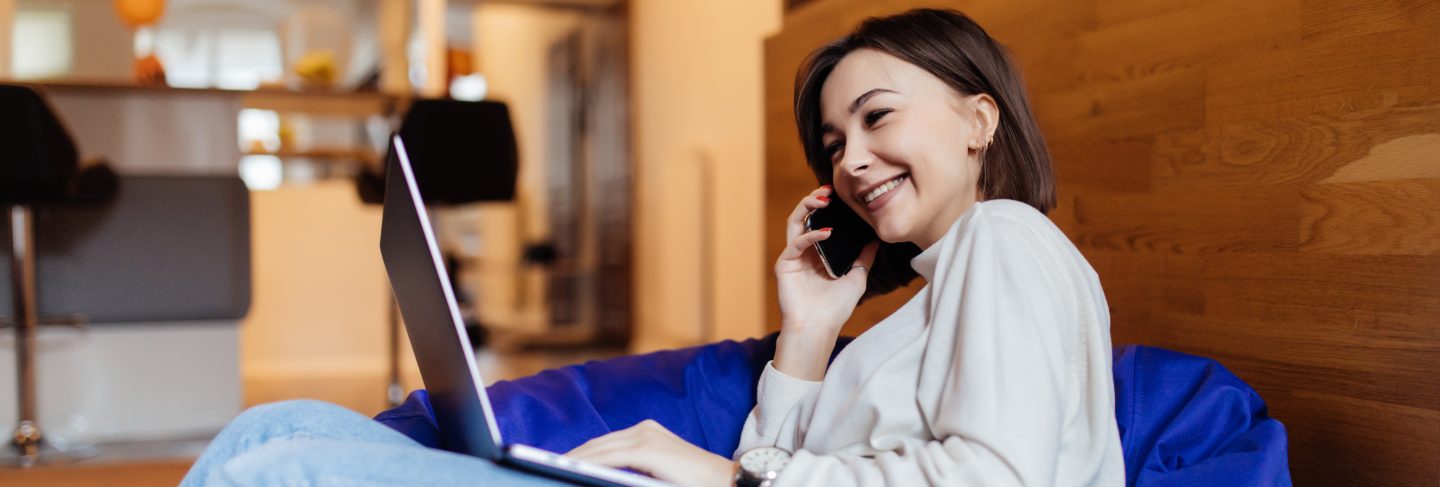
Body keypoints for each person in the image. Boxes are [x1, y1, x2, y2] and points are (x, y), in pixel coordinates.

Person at [181, 8, 1123, 487]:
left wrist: (727, 472)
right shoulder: (921, 302)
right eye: (834, 144)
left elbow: (998, 480)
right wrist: (804, 334)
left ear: (978, 118)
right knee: (271, 426)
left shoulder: (1008, 240)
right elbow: (772, 465)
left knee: (280, 468)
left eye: (877, 119)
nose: (852, 162)